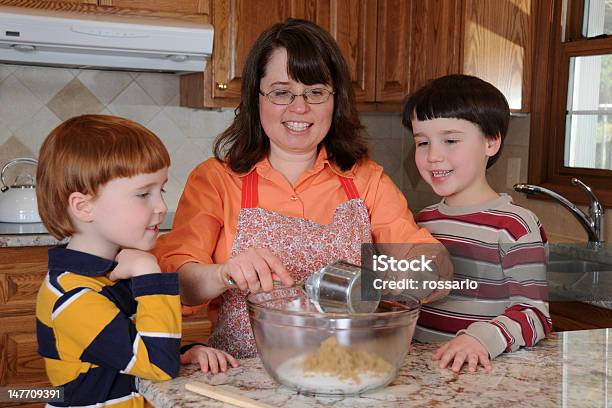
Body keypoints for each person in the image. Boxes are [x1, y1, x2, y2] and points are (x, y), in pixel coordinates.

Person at [153, 19, 450, 360]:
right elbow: (179, 285)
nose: (299, 107)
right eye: (281, 92)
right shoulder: (215, 180)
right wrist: (223, 273)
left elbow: (420, 254)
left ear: (335, 99)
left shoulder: (365, 179)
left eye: (315, 92)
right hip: (244, 374)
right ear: (256, 97)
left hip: (347, 370)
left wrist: (420, 273)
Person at [34, 114, 235, 408]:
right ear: (84, 206)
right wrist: (147, 271)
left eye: (160, 190)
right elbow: (156, 364)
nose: (161, 206)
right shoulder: (73, 296)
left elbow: (128, 352)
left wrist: (182, 352)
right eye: (143, 194)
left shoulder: (111, 272)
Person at [402, 74, 552, 374]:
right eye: (422, 142)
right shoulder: (421, 222)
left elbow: (535, 314)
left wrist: (480, 339)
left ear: (491, 141)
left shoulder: (516, 227)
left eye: (451, 140)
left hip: (479, 376)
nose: (433, 155)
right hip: (423, 374)